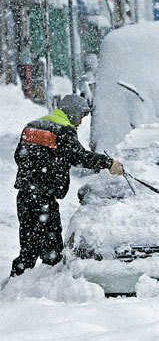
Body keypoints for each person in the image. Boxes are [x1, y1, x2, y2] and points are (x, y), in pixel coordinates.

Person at [8, 94, 124, 278]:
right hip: (44, 198)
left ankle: (17, 283)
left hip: (25, 195)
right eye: (80, 117)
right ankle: (48, 288)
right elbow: (80, 157)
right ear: (72, 112)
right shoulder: (62, 130)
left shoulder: (32, 126)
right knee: (51, 249)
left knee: (28, 245)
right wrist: (109, 163)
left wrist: (38, 170)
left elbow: (19, 156)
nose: (79, 123)